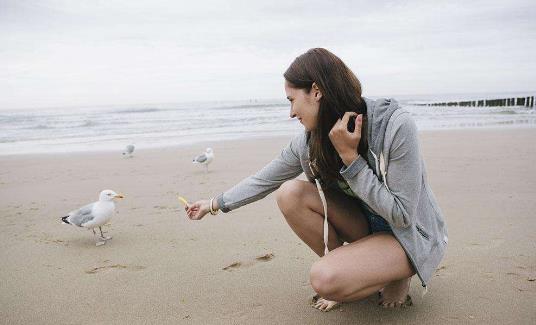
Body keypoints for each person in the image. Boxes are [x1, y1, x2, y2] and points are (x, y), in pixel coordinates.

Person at [185, 48, 448, 312]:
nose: (290, 112)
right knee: (290, 193)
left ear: (316, 91)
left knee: (323, 278)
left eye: (291, 100)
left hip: (407, 234)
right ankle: (353, 270)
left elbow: (402, 215)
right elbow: (265, 178)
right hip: (365, 224)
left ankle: (394, 273)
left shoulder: (394, 126)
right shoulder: (310, 142)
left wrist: (351, 160)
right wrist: (213, 204)